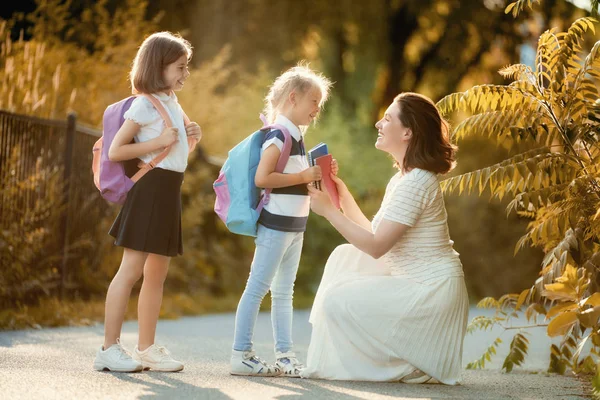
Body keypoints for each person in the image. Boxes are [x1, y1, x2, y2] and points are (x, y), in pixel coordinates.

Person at [302, 92, 468, 385]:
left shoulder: (417, 183)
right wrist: (340, 194)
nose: (379, 123)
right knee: (345, 255)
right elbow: (373, 232)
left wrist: (329, 212)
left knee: (336, 300)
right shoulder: (404, 179)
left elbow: (377, 247)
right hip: (415, 283)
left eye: (388, 118)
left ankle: (410, 360)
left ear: (408, 132)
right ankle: (401, 358)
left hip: (431, 294)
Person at [93, 32, 202, 373]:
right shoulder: (145, 102)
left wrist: (191, 139)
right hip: (149, 193)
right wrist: (158, 139)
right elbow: (117, 150)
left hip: (168, 191)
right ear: (158, 66)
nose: (185, 74)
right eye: (179, 67)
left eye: (187, 67)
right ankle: (108, 349)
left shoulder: (171, 100)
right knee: (131, 271)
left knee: (157, 274)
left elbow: (171, 156)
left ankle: (147, 348)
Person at [230, 64, 334, 377]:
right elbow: (264, 177)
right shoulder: (279, 134)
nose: (317, 108)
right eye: (313, 101)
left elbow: (299, 182)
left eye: (319, 103)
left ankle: (285, 355)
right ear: (292, 98)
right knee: (257, 288)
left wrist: (318, 175)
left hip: (295, 228)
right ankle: (241, 353)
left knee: (284, 291)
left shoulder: (298, 137)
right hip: (275, 227)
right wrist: (303, 175)